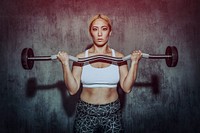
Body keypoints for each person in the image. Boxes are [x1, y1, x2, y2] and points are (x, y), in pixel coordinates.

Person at [57, 14, 142, 133]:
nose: (100, 34)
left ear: (110, 32)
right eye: (95, 29)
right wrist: (65, 64)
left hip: (112, 112)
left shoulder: (119, 57)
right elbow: (72, 90)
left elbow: (127, 88)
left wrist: (134, 63)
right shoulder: (80, 58)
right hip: (86, 112)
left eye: (104, 29)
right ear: (90, 32)